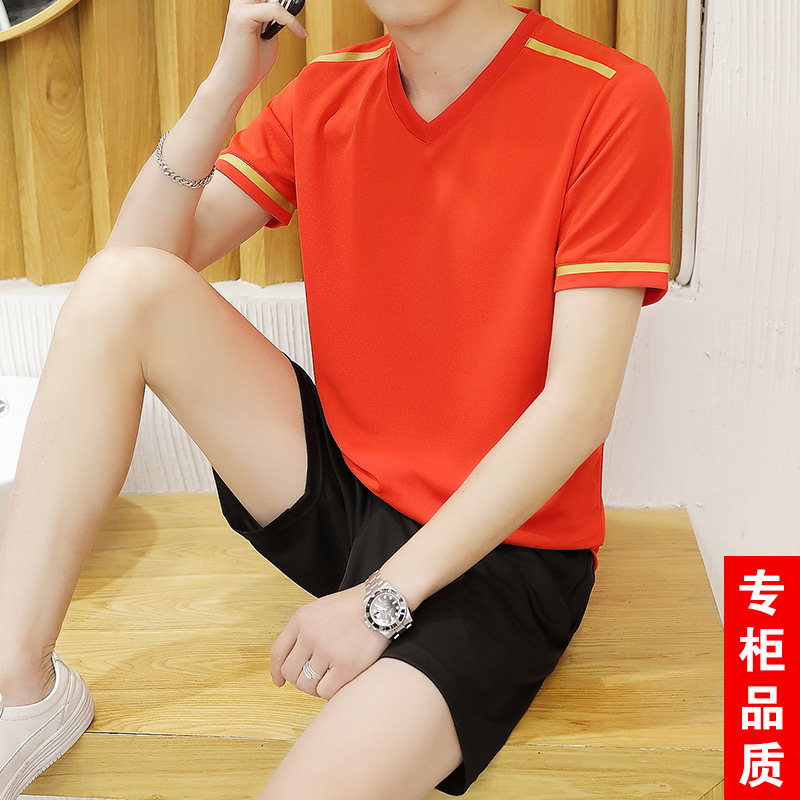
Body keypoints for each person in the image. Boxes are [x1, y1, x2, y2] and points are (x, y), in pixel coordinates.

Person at [0, 0, 673, 798]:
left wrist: (380, 601)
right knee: (120, 285)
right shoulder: (326, 94)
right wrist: (224, 87)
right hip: (348, 499)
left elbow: (578, 409)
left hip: (506, 558)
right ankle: (19, 686)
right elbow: (127, 278)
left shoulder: (606, 97)